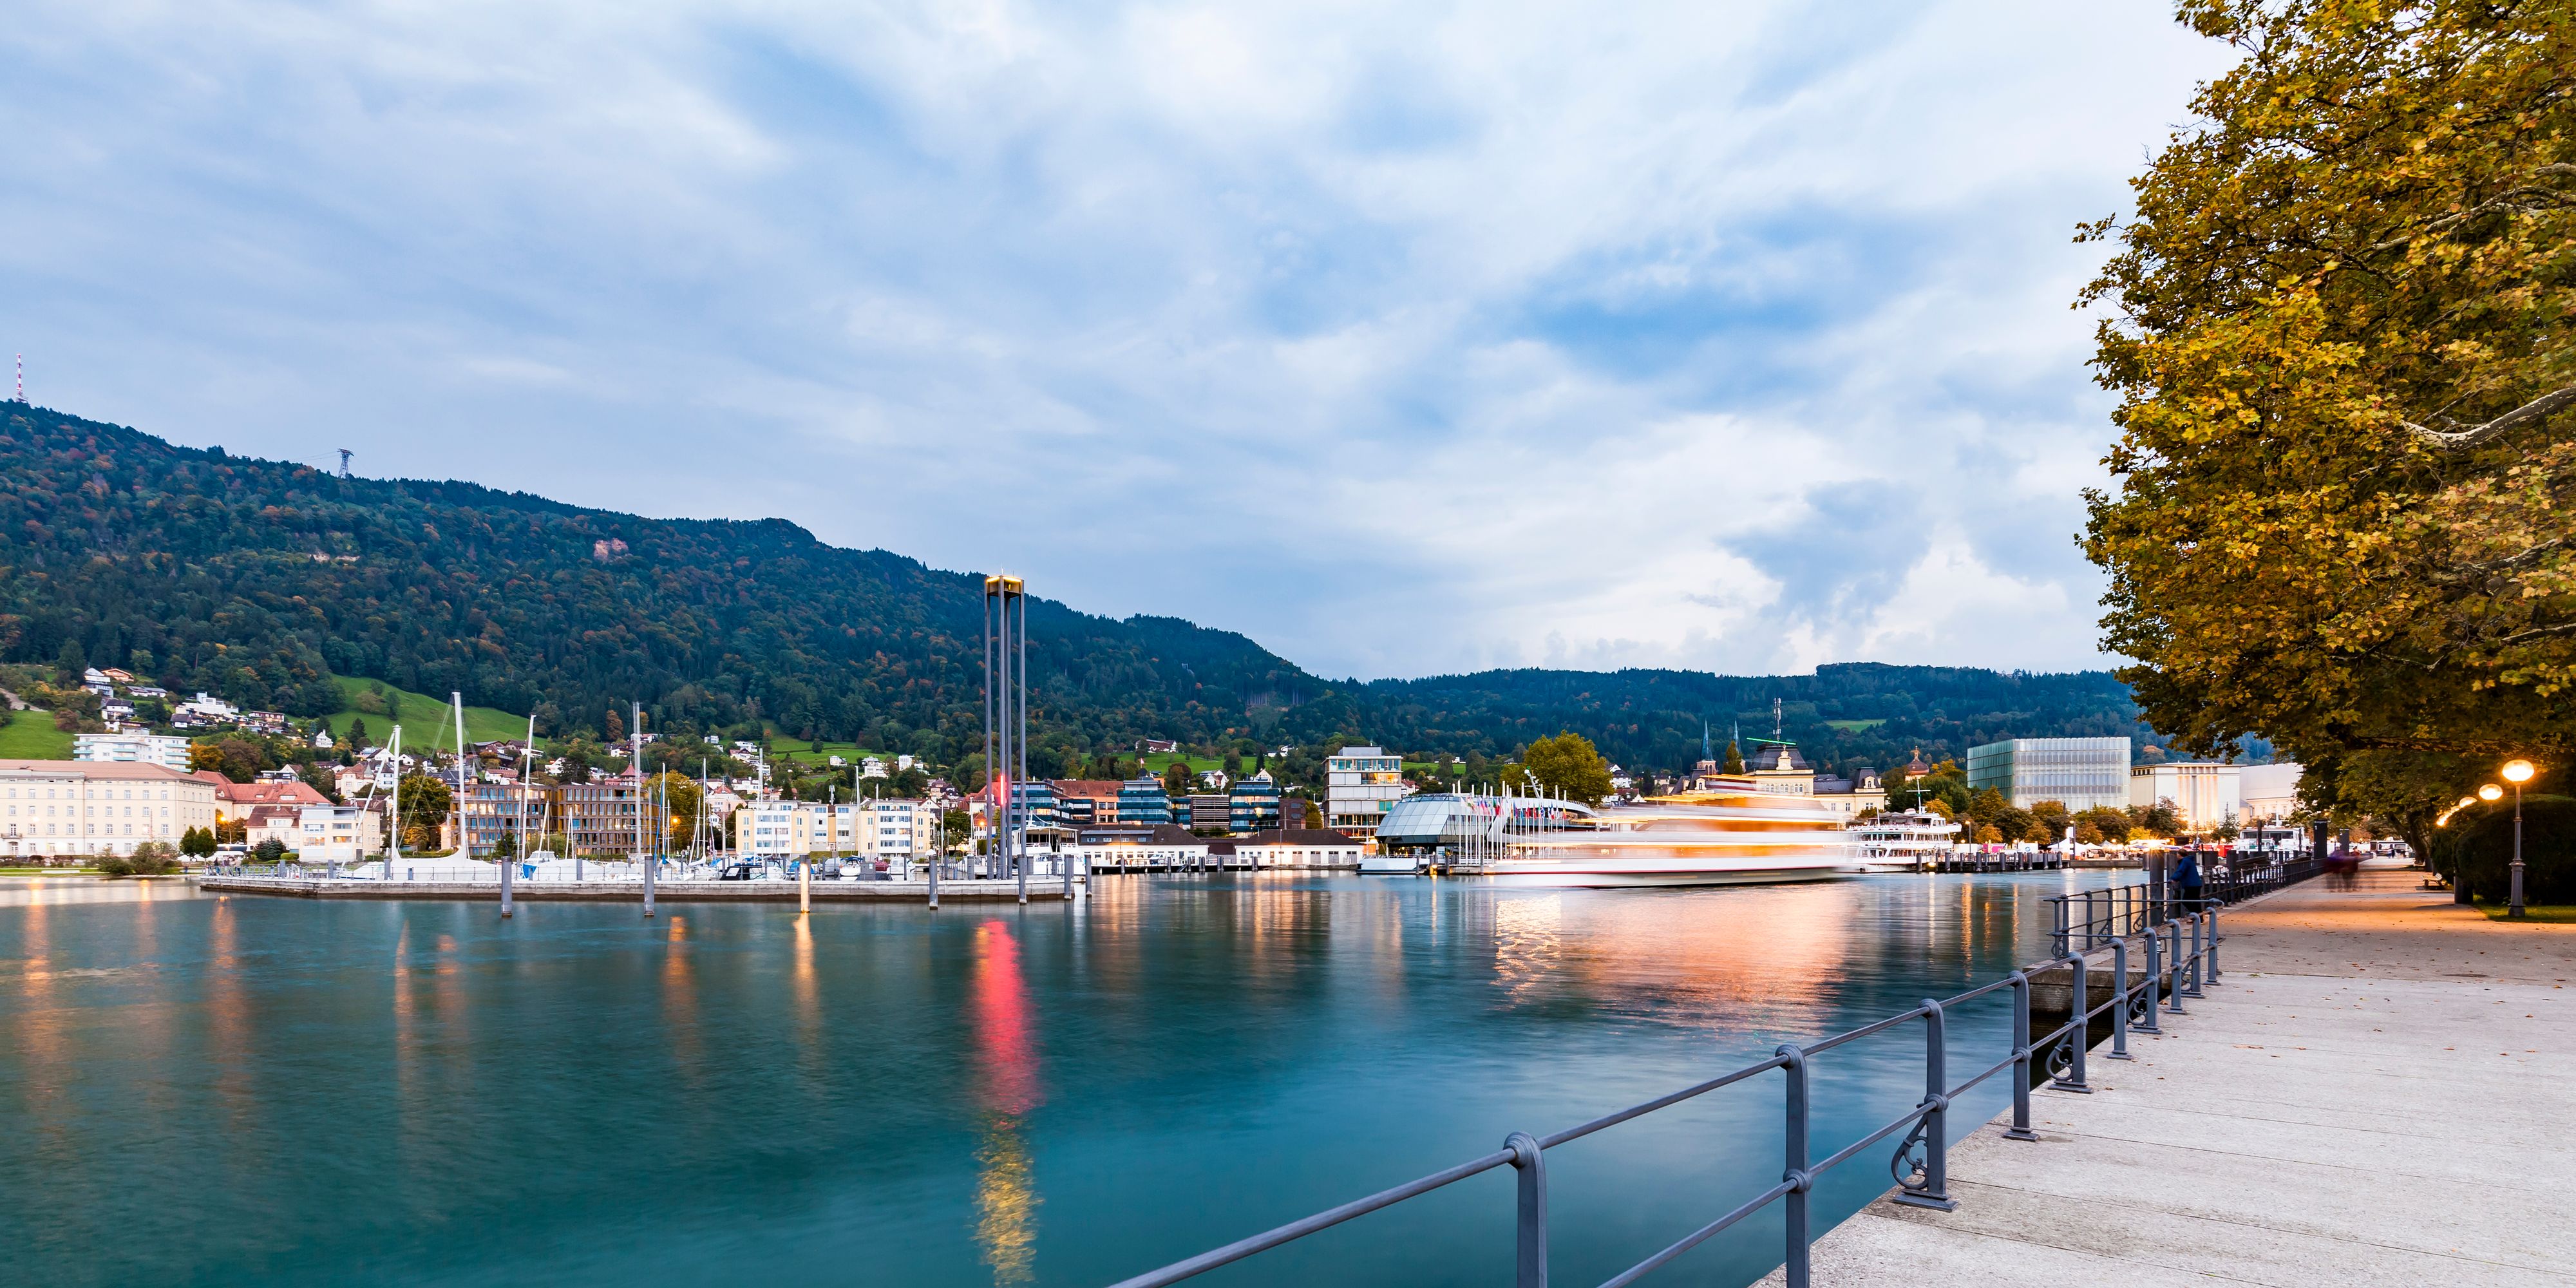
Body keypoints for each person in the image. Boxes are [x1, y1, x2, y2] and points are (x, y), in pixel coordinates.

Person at [2172, 846, 2205, 911]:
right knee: (2196, 901)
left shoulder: (2185, 861)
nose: (2176, 856)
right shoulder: (2189, 861)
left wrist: (2173, 879)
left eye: (2177, 854)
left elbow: (2181, 871)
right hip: (2196, 883)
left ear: (2179, 855)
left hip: (2191, 884)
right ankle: (2199, 917)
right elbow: (2186, 872)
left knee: (2185, 901)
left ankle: (2196, 915)